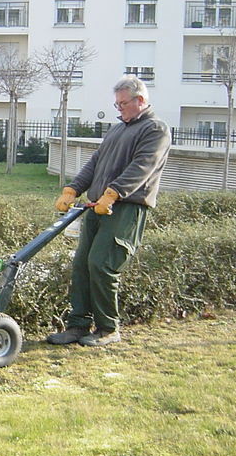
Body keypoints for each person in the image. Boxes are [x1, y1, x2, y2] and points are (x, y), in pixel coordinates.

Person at [46, 75, 171, 347]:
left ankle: (107, 328)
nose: (119, 108)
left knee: (101, 264)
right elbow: (95, 163)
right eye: (117, 104)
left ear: (140, 100)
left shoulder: (155, 130)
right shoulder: (117, 130)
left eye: (123, 103)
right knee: (82, 265)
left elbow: (142, 167)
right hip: (97, 207)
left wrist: (113, 193)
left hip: (125, 208)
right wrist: (72, 189)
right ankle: (78, 325)